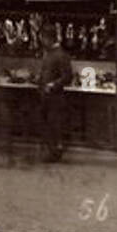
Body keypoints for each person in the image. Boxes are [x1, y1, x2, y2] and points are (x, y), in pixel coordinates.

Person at [38, 23, 73, 162]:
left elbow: (68, 77)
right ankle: (51, 150)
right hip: (46, 95)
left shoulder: (61, 55)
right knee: (48, 123)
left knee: (54, 124)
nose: (41, 41)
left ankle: (55, 151)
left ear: (48, 38)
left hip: (55, 96)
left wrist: (53, 84)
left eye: (42, 38)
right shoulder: (49, 54)